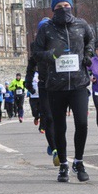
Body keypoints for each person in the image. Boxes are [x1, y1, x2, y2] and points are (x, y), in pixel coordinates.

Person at [32, 0, 95, 183]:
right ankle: (64, 165)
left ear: (71, 6)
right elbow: (36, 53)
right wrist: (52, 54)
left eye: (66, 6)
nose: (63, 9)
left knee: (82, 124)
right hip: (56, 86)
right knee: (60, 127)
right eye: (59, 7)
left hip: (78, 83)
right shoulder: (47, 29)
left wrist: (88, 55)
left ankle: (79, 162)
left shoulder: (81, 25)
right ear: (53, 9)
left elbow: (91, 41)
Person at [25, 18, 57, 159]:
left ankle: (56, 143)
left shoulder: (59, 43)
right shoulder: (36, 47)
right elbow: (31, 65)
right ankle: (54, 149)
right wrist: (28, 81)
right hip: (44, 84)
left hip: (59, 84)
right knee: (48, 117)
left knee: (57, 118)